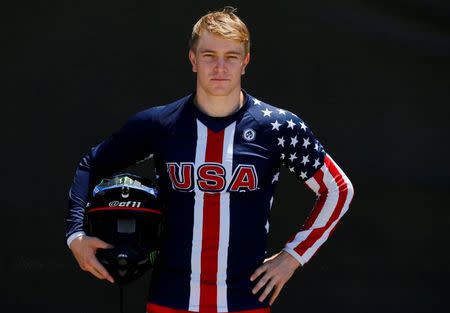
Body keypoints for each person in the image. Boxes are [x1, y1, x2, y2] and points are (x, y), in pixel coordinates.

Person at [66, 7, 354, 313]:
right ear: (192, 60)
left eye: (231, 56)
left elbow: (337, 189)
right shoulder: (160, 124)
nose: (220, 66)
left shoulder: (277, 127)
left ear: (245, 62)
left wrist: (293, 256)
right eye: (209, 55)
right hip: (170, 299)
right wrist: (76, 236)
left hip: (246, 300)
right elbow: (91, 164)